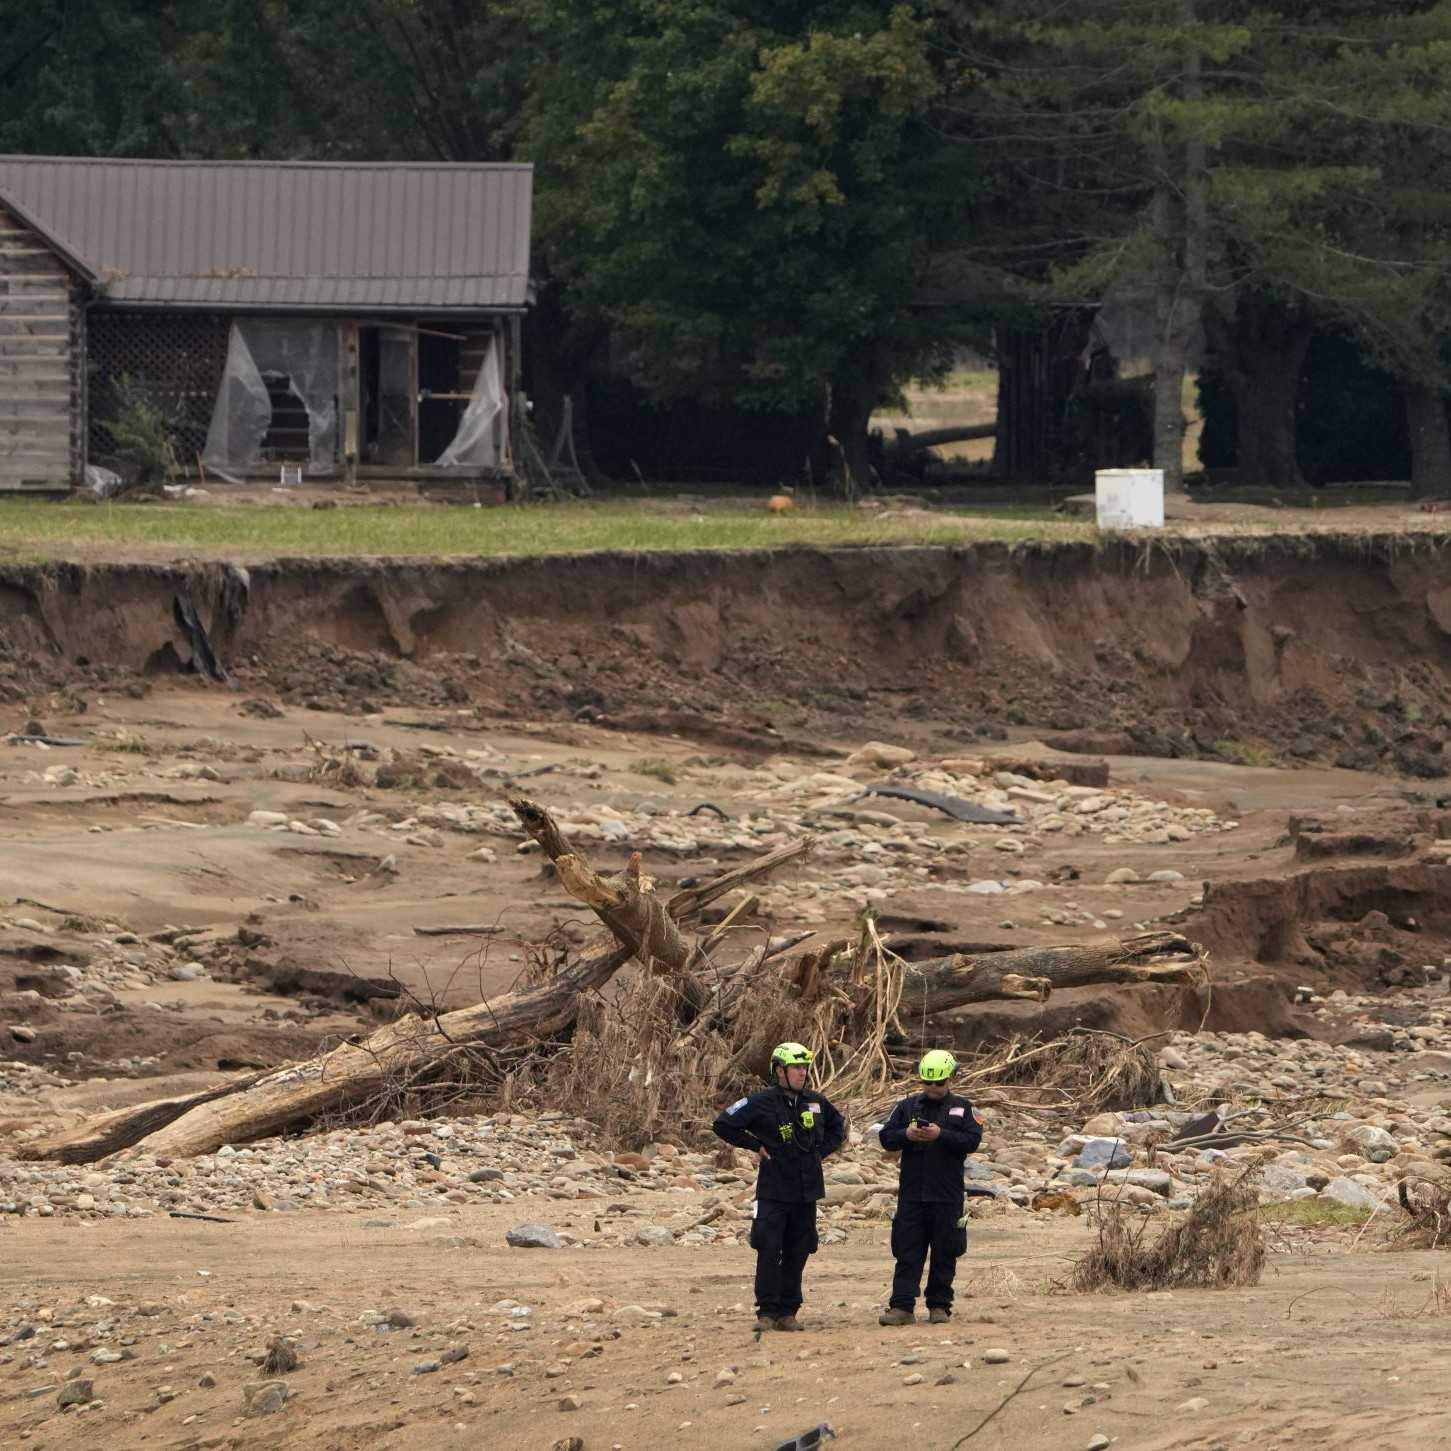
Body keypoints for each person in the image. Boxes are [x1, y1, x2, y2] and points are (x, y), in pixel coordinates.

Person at [712, 1041, 846, 1332]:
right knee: (769, 1248)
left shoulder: (816, 1101)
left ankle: (789, 1311)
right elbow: (723, 1124)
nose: (802, 1073)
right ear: (779, 1071)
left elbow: (839, 1127)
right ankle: (767, 1311)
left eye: (804, 1068)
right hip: (774, 1189)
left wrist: (820, 1153)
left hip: (806, 1190)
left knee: (800, 1249)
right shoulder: (761, 1101)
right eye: (796, 1068)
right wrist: (755, 1145)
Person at [877, 1049, 982, 1325]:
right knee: (907, 1251)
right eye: (928, 1083)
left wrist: (941, 1135)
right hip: (912, 1193)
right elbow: (886, 1137)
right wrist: (907, 1135)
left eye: (939, 1083)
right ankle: (901, 1307)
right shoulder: (907, 1107)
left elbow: (972, 1141)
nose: (933, 1088)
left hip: (947, 1194)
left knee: (945, 1251)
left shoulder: (964, 1108)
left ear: (951, 1079)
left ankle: (939, 1306)